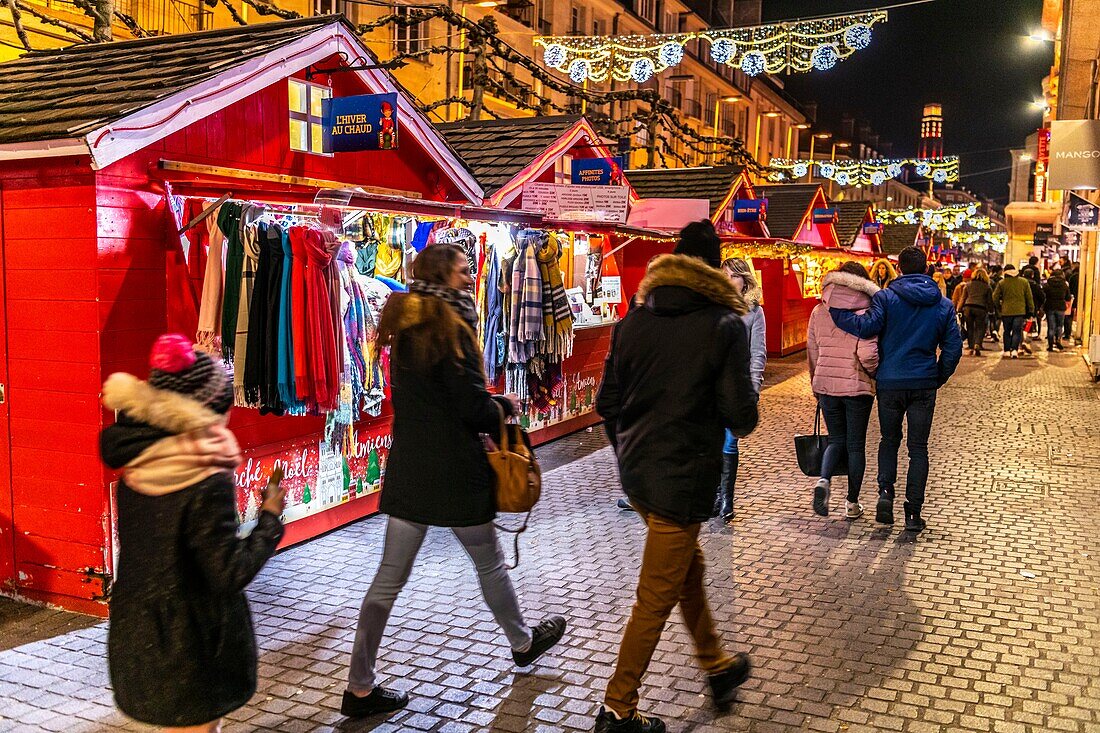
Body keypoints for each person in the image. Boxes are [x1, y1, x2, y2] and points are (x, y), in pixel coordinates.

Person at [342, 244, 566, 719]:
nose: (469, 278)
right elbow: (470, 407)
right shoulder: (452, 329)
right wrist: (503, 406)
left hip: (413, 474)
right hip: (457, 474)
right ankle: (523, 643)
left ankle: (358, 687)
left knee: (387, 579)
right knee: (490, 564)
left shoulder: (404, 327)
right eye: (463, 272)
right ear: (443, 278)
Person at [596, 219, 759, 732]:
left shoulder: (633, 320)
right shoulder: (725, 325)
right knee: (655, 597)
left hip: (639, 475)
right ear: (713, 268)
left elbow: (608, 404)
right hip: (682, 479)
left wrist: (630, 454)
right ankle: (617, 710)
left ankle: (716, 665)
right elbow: (741, 415)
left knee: (687, 568)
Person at [99, 334, 286, 733]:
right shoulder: (202, 475)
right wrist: (269, 519)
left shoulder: (139, 463)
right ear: (207, 411)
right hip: (192, 643)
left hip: (139, 632)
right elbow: (228, 572)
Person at [830, 246, 963, 533]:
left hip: (890, 382)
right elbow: (953, 347)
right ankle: (913, 513)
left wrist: (837, 313)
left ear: (899, 268)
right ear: (926, 268)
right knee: (918, 449)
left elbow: (866, 327)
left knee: (889, 440)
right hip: (923, 383)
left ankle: (885, 495)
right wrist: (938, 376)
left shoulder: (886, 298)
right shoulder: (942, 304)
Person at [806, 262, 880, 519]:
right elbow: (867, 353)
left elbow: (813, 350)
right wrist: (874, 376)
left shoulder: (819, 309)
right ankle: (852, 503)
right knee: (856, 445)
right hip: (856, 386)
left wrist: (816, 380)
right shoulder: (867, 311)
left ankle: (823, 481)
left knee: (836, 439)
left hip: (826, 384)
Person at [714, 257, 766, 522]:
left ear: (745, 279)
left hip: (737, 386)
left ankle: (727, 500)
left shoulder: (754, 312)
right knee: (712, 441)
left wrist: (753, 389)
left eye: (733, 275)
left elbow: (758, 353)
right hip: (710, 386)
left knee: (729, 441)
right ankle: (714, 497)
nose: (729, 280)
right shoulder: (712, 306)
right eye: (724, 275)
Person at [992, 264, 1033, 359]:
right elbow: (1029, 297)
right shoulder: (1024, 282)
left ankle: (1006, 350)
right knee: (1017, 331)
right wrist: (1031, 309)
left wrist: (999, 307)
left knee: (1007, 331)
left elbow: (995, 297)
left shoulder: (1002, 283)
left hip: (1006, 311)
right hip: (1020, 311)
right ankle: (1014, 350)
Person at [960, 268, 994, 356]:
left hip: (968, 307)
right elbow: (989, 301)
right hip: (981, 308)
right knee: (980, 327)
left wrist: (959, 309)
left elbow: (963, 298)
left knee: (970, 327)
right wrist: (991, 310)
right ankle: (977, 344)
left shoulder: (968, 285)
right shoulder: (987, 287)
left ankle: (971, 347)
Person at [1043, 267, 1071, 351]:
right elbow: (1068, 297)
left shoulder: (1047, 284)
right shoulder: (1064, 284)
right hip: (1060, 307)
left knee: (1051, 326)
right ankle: (1058, 340)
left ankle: (1050, 344)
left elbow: (1044, 294)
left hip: (1050, 306)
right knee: (1059, 325)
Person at [1022, 268, 1046, 345]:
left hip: (1021, 306)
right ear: (1032, 275)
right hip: (1033, 306)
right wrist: (1039, 306)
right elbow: (1042, 297)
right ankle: (1030, 334)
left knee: (1021, 322)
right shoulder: (1035, 285)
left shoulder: (1020, 283)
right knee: (1031, 320)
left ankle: (1022, 335)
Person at [951, 270, 972, 343]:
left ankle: (961, 337)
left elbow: (954, 299)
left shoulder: (959, 286)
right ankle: (971, 342)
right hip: (969, 308)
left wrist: (954, 308)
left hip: (960, 308)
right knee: (970, 326)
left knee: (961, 324)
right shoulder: (972, 286)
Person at [987, 265, 1003, 343]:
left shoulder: (989, 279)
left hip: (989, 300)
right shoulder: (1000, 280)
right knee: (999, 317)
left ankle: (992, 332)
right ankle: (995, 331)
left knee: (991, 317)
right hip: (998, 299)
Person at [1066, 262, 1080, 341]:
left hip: (1072, 298)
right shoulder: (1081, 276)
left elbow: (1070, 288)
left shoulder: (1073, 276)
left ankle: (1068, 332)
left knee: (1069, 316)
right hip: (1079, 298)